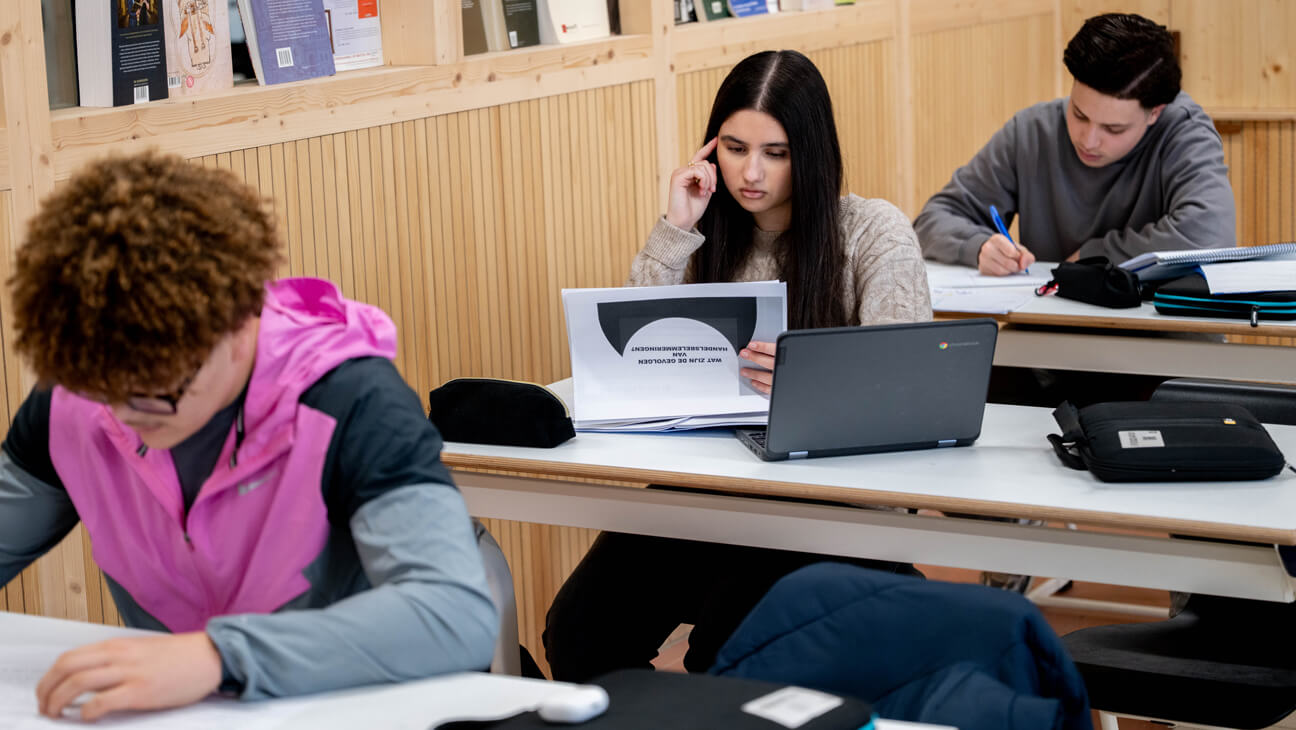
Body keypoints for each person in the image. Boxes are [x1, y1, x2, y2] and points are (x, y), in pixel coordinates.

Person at [0, 152, 498, 721]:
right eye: (100, 389)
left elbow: (454, 614)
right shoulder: (77, 399)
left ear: (240, 326)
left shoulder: (352, 401)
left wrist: (220, 656)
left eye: (153, 391)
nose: (120, 414)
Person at [542, 49, 932, 683]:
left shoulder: (871, 231)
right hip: (708, 494)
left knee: (726, 650)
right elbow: (637, 367)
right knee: (579, 632)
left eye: (776, 153)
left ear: (812, 151)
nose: (752, 172)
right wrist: (675, 226)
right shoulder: (705, 233)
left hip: (827, 509)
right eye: (733, 147)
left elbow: (906, 382)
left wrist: (811, 381)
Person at [915, 12, 1235, 276]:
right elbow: (933, 219)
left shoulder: (1184, 132)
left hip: (1166, 337)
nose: (1088, 140)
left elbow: (1209, 237)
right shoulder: (1032, 131)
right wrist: (979, 245)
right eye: (1079, 114)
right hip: (1057, 331)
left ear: (1155, 113)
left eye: (1113, 128)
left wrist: (1096, 256)